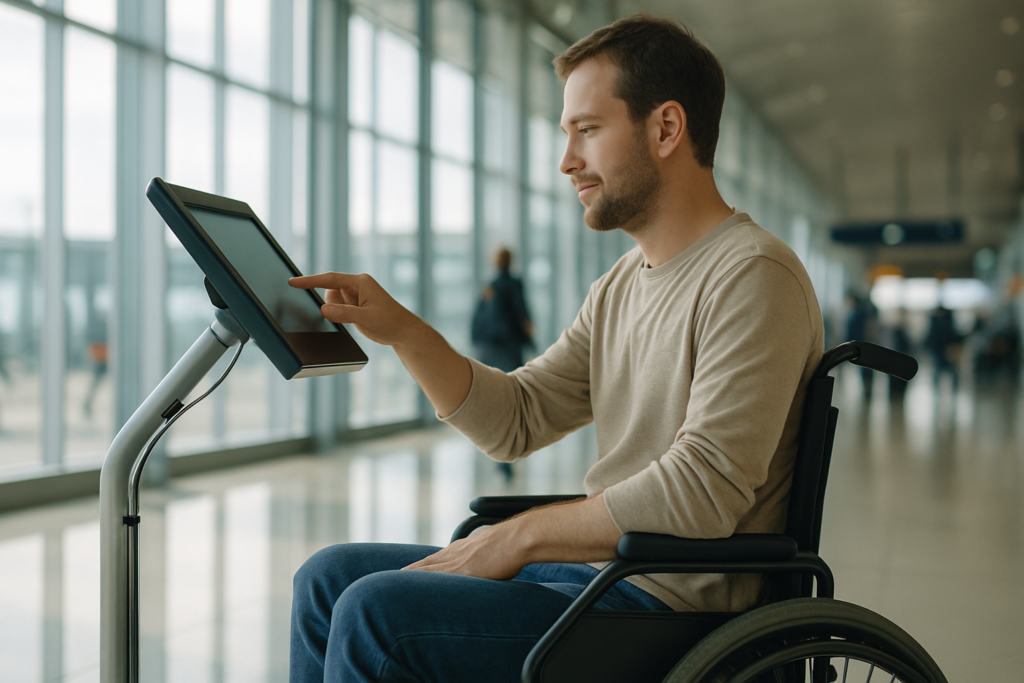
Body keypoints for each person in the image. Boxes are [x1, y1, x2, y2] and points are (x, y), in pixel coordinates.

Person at [287, 14, 823, 683]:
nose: (566, 159)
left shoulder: (752, 275)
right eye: (565, 133)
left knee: (373, 610)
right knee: (326, 579)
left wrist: (518, 535)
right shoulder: (619, 286)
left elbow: (704, 491)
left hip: (669, 609)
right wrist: (405, 331)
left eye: (587, 130)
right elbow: (516, 419)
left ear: (665, 128)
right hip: (597, 578)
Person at [471, 247, 534, 480]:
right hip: (508, 348)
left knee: (490, 402)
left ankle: (496, 455)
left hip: (487, 348)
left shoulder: (489, 286)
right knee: (510, 403)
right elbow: (522, 313)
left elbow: (477, 318)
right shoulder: (514, 284)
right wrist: (530, 340)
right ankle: (505, 460)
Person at [844, 291, 879, 399]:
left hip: (861, 344)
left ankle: (867, 389)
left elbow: (855, 331)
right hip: (861, 344)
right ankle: (867, 388)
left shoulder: (858, 313)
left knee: (866, 368)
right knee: (865, 368)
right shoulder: (860, 312)